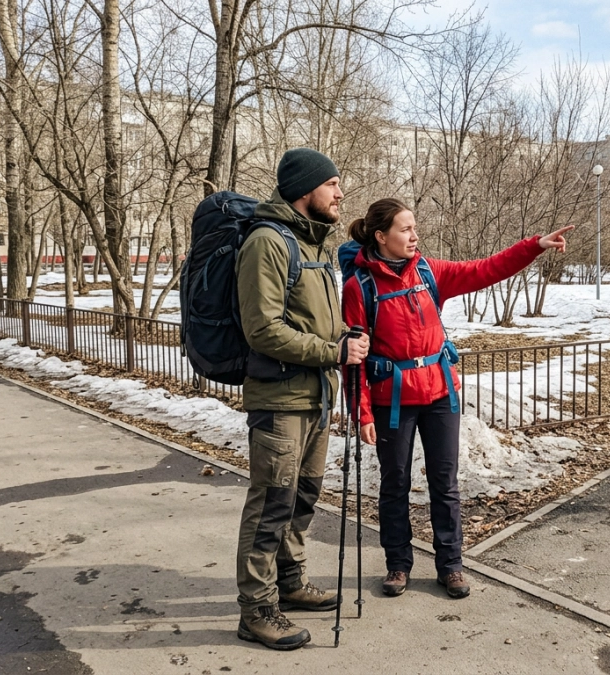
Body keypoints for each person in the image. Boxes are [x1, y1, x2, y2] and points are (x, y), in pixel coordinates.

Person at [340, 198, 572, 600]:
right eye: (405, 229)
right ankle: (398, 564)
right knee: (395, 483)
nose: (415, 236)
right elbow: (354, 359)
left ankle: (451, 565)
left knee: (444, 484)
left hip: (440, 395)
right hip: (391, 399)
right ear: (381, 236)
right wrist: (361, 413)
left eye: (415, 228)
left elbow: (485, 269)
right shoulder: (359, 287)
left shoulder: (429, 271)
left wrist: (534, 245)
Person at [234, 148, 369, 650]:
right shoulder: (268, 242)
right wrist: (333, 349)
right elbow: (262, 328)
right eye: (331, 184)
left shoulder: (313, 246)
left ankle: (289, 582)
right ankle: (256, 609)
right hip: (280, 400)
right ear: (304, 189)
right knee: (271, 503)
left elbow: (312, 321)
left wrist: (344, 334)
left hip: (315, 397)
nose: (339, 193)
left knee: (303, 497)